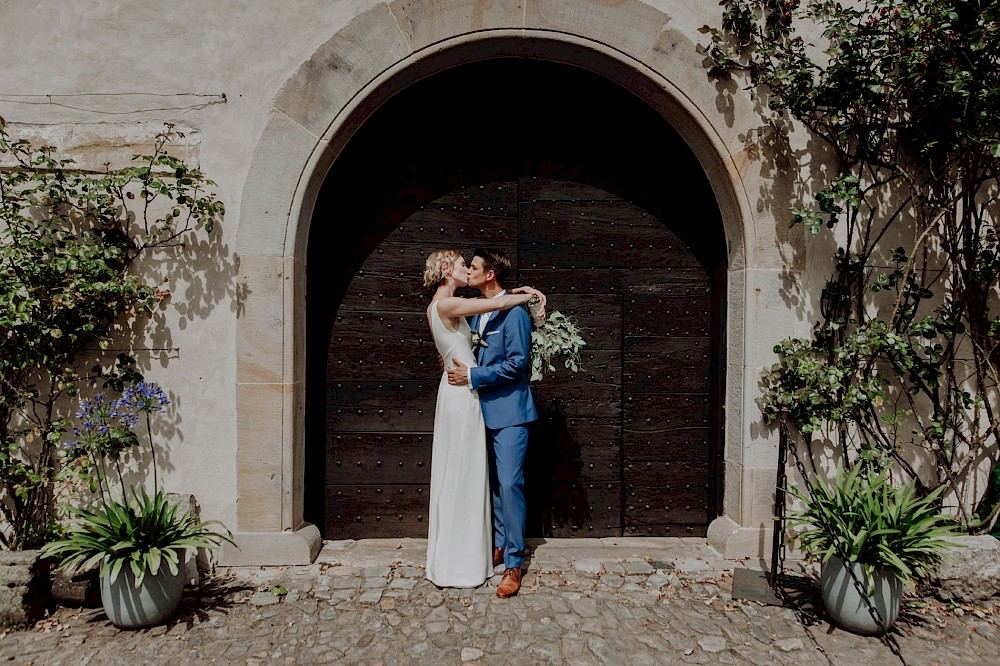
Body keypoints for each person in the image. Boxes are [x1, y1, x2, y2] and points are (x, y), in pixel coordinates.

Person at [422, 249, 543, 589]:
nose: (469, 271)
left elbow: (518, 364)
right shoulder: (469, 313)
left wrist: (521, 296)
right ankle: (500, 545)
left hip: (507, 411)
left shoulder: (514, 315)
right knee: (488, 485)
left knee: (508, 484)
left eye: (473, 267)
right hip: (474, 410)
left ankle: (514, 564)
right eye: (465, 265)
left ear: (489, 274)